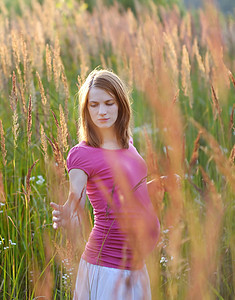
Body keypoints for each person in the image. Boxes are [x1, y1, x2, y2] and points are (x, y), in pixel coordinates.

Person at [50, 69, 164, 300]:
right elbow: (77, 198)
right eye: (94, 105)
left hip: (137, 267)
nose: (101, 111)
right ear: (86, 109)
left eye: (108, 103)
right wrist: (67, 213)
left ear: (121, 104)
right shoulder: (82, 154)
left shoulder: (127, 144)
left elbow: (129, 193)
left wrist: (157, 185)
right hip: (108, 268)